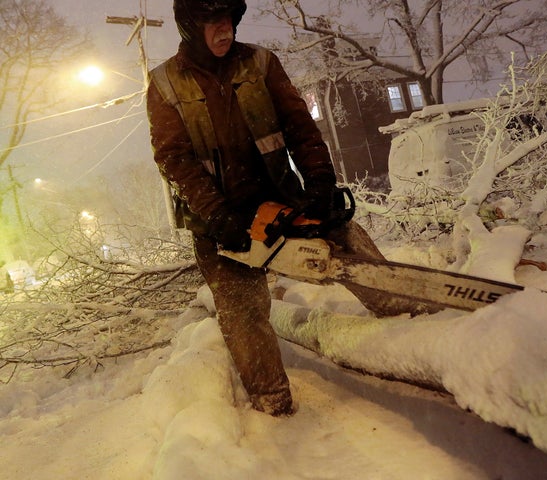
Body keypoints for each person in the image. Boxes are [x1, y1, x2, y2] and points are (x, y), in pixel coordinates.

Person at [147, 0, 433, 417]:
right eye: (213, 22)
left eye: (228, 19)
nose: (224, 30)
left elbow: (301, 127)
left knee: (348, 241)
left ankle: (413, 315)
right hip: (220, 221)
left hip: (280, 197)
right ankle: (272, 403)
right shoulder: (166, 82)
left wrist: (319, 184)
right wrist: (216, 215)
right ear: (191, 26)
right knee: (243, 310)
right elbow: (173, 158)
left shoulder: (260, 63)